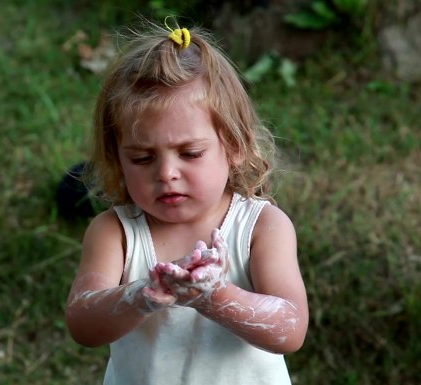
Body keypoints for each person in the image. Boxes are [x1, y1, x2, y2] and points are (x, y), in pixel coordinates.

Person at [65, 19, 309, 385]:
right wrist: (140, 295)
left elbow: (289, 329)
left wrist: (214, 295)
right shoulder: (114, 232)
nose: (166, 173)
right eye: (142, 159)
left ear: (236, 145)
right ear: (116, 159)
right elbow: (83, 324)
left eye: (190, 153)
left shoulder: (262, 226)